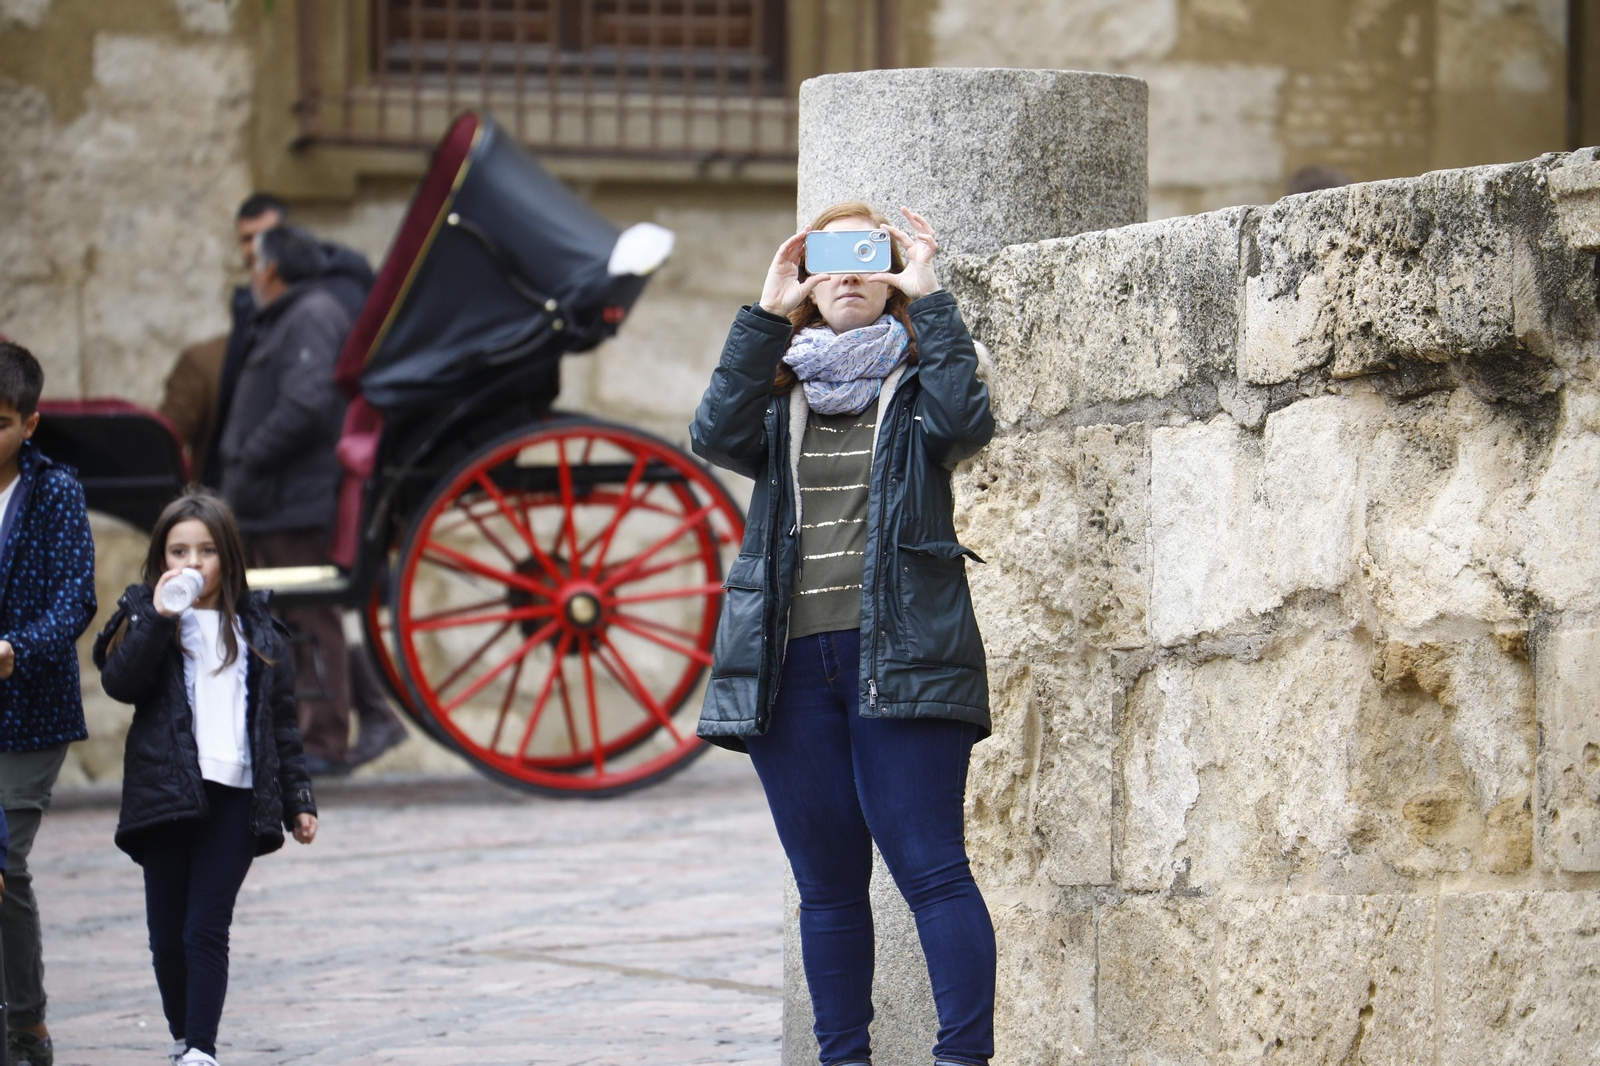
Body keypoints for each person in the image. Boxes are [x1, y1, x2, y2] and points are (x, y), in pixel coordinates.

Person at [690, 203, 997, 1066]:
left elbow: (966, 426)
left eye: (869, 254)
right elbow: (713, 433)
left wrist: (930, 299)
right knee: (825, 888)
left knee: (932, 869)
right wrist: (764, 313)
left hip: (901, 654)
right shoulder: (779, 390)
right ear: (808, 280)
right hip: (786, 667)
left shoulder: (927, 376)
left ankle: (962, 1059)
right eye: (829, 258)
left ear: (891, 275)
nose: (850, 273)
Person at [94, 490, 318, 1066]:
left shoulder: (259, 631)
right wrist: (158, 617)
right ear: (160, 560)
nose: (192, 563)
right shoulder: (147, 618)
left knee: (206, 928)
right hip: (165, 796)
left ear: (229, 559)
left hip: (236, 800)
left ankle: (201, 1047)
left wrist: (298, 799)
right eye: (178, 552)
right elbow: (121, 683)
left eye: (206, 551)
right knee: (167, 938)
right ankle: (182, 1033)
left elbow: (281, 724)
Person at [216, 223, 358, 774]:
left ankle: (325, 740)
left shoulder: (310, 315)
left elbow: (305, 405)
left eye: (254, 260)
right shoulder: (293, 315)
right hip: (273, 498)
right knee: (287, 620)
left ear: (269, 267)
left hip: (292, 497)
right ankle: (305, 738)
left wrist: (250, 456)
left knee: (312, 616)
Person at [0, 340, 98, 1066]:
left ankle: (26, 1023)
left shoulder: (55, 491)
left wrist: (17, 649)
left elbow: (75, 600)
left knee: (3, 857)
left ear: (29, 424)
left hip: (29, 711)